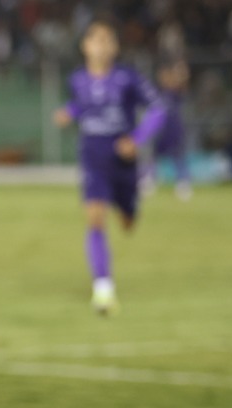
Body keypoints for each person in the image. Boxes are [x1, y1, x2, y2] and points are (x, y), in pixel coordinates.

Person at [53, 19, 166, 315]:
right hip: (93, 156)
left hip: (123, 158)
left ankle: (128, 208)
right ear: (85, 46)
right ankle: (103, 289)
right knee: (94, 218)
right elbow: (82, 104)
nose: (101, 46)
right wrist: (69, 112)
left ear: (115, 46)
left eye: (107, 40)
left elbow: (158, 109)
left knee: (127, 222)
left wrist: (137, 139)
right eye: (95, 39)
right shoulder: (77, 79)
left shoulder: (128, 78)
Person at [144, 58, 192, 201]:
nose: (164, 78)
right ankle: (150, 180)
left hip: (174, 130)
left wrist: (183, 74)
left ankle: (183, 183)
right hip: (160, 130)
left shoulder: (175, 93)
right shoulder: (156, 92)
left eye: (167, 75)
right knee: (153, 157)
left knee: (178, 157)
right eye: (162, 75)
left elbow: (184, 84)